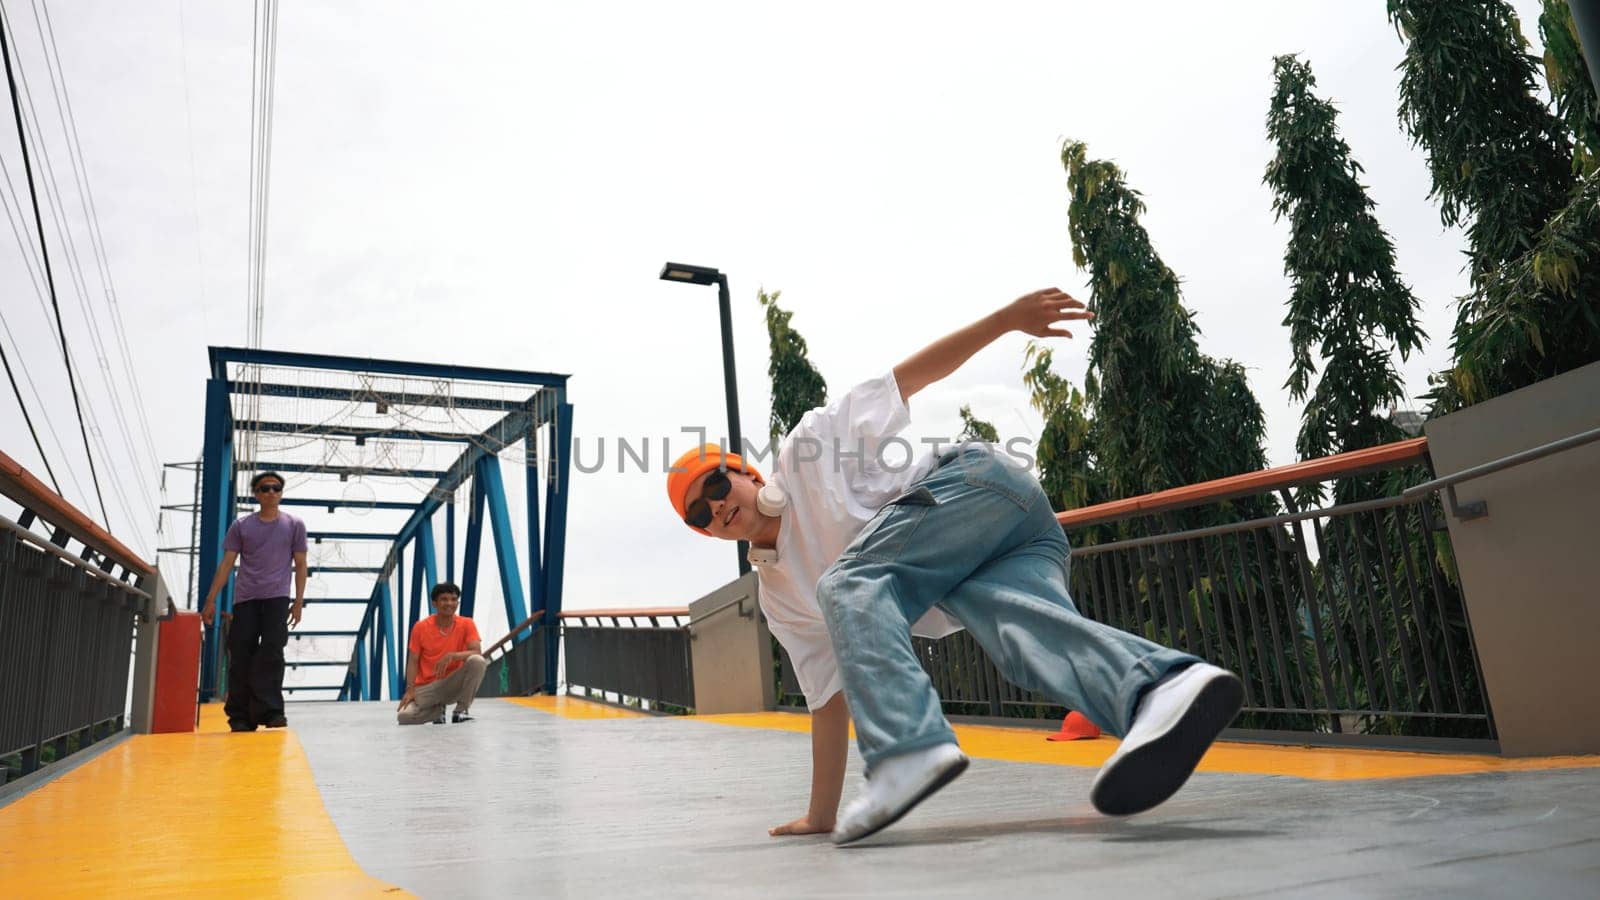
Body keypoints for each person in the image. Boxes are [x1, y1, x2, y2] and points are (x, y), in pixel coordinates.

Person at [665, 287, 1243, 845]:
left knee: (846, 581)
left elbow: (906, 380)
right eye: (699, 513)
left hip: (975, 486)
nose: (716, 505)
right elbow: (827, 699)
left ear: (747, 474)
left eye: (716, 483)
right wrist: (821, 816)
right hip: (1001, 550)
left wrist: (1007, 318)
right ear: (706, 530)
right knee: (1021, 638)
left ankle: (909, 748)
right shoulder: (779, 599)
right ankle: (1159, 688)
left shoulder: (808, 450)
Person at [201, 471, 307, 732]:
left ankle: (271, 711)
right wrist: (211, 600)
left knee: (271, 652)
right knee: (241, 654)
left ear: (281, 493)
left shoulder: (294, 525)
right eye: (265, 488)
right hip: (246, 598)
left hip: (277, 598)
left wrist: (298, 601)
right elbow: (227, 564)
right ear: (256, 494)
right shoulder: (241, 526)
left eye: (275, 488)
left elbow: (301, 564)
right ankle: (240, 715)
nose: (271, 492)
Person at [398, 582, 487, 725]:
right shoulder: (420, 627)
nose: (449, 603)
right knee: (403, 717)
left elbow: (477, 651)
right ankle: (437, 711)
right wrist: (410, 689)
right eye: (444, 599)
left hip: (453, 683)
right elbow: (413, 661)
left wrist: (453, 655)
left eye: (453, 599)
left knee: (477, 661)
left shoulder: (467, 624)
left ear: (457, 603)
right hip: (428, 687)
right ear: (434, 603)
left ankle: (461, 711)